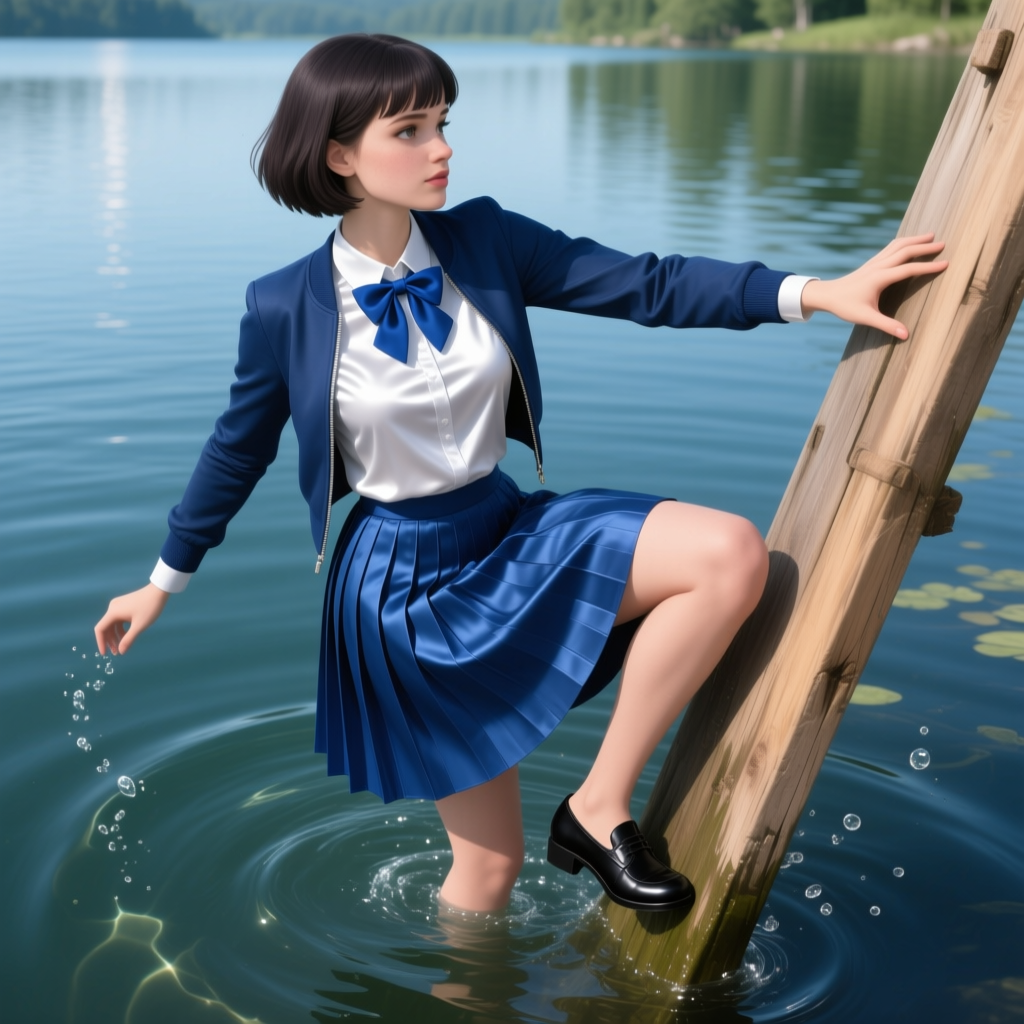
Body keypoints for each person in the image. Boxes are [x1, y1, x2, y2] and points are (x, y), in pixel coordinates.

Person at [94, 34, 947, 917]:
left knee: (730, 556)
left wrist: (813, 291)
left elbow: (647, 285)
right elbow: (238, 447)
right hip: (399, 589)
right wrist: (164, 580)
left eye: (443, 124)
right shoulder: (284, 305)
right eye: (412, 131)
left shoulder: (487, 240)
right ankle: (472, 998)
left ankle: (597, 805)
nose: (443, 149)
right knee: (489, 870)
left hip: (508, 529)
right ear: (340, 155)